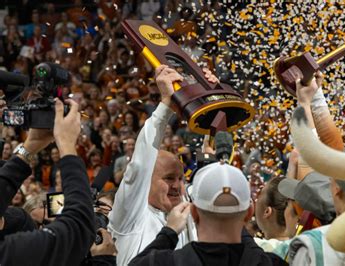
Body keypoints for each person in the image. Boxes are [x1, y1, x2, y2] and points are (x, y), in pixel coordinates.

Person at [109, 66, 218, 265]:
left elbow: (208, 167)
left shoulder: (186, 209)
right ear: (146, 183)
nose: (177, 185)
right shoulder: (130, 215)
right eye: (168, 178)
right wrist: (167, 103)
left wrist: (211, 99)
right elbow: (140, 164)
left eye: (180, 178)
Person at [129, 162, 288, 266]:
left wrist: (169, 232)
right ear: (249, 214)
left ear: (194, 213)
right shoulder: (269, 263)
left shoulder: (166, 262)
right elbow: (254, 254)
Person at [0, 99, 96, 265]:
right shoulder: (13, 252)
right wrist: (66, 146)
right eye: (41, 225)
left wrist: (30, 146)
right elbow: (79, 228)